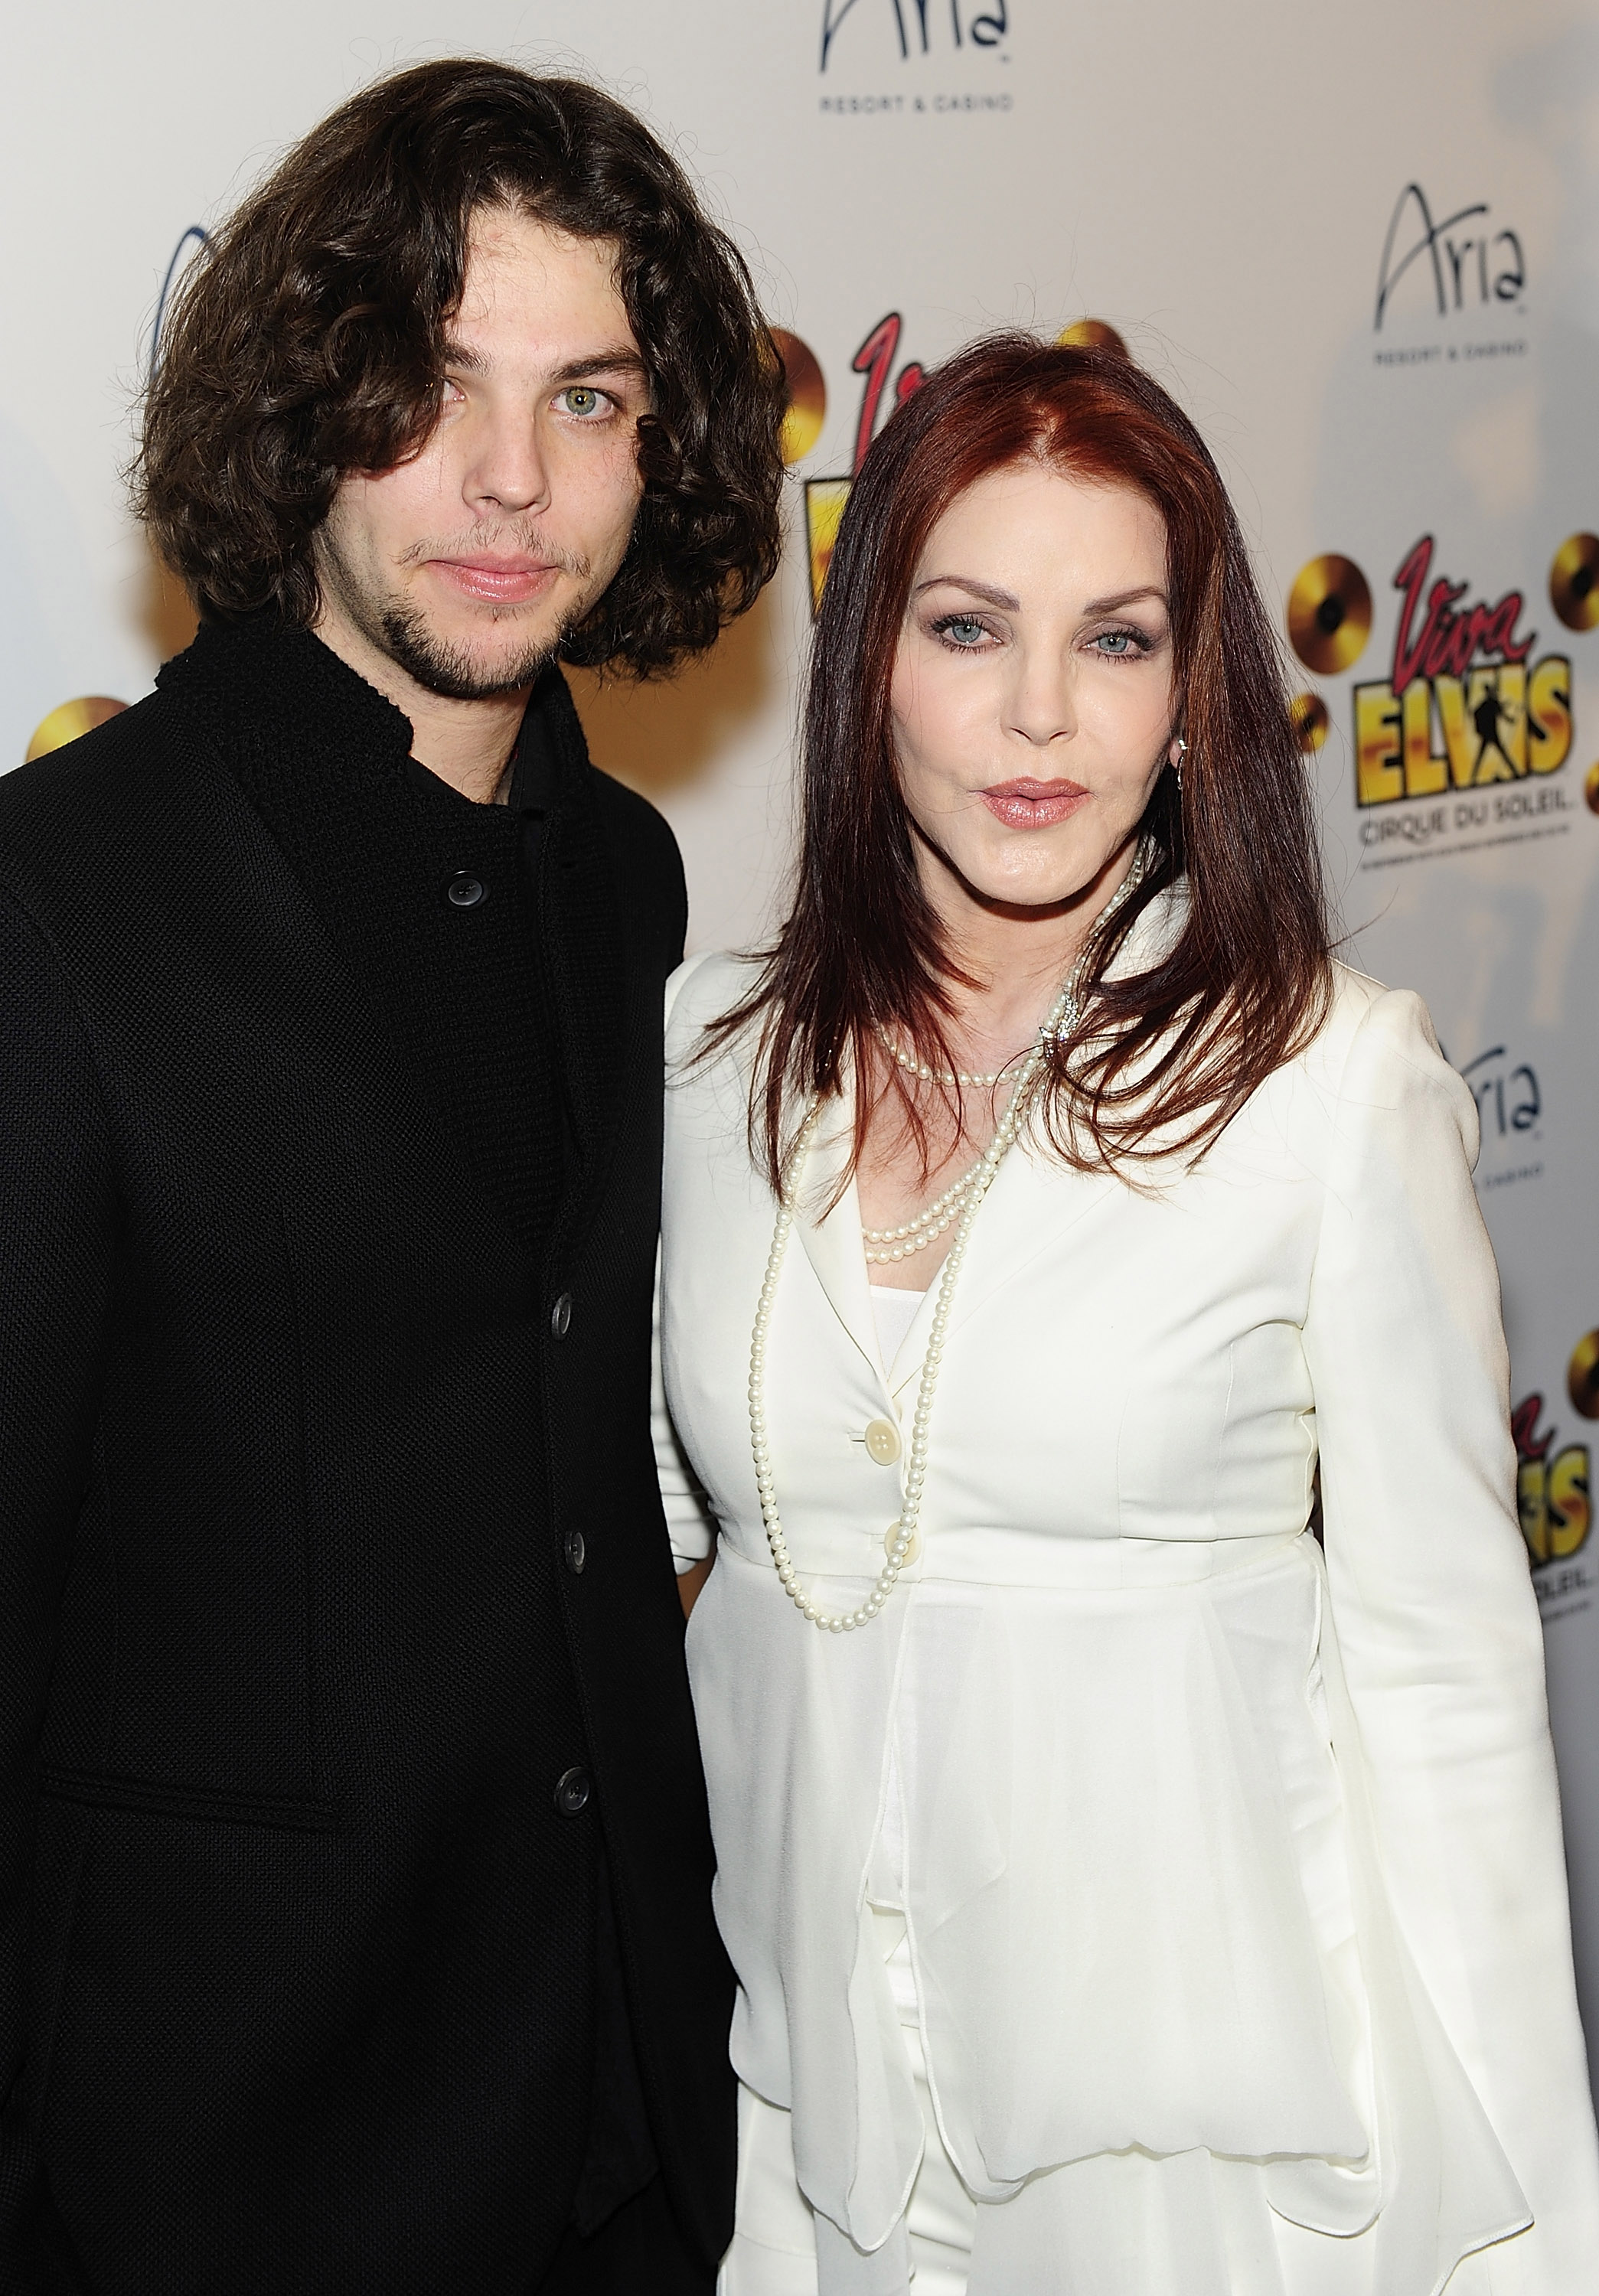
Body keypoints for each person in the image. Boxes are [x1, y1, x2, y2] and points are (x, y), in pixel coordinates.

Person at [654, 334, 1599, 2294]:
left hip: (1200, 2157)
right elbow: (655, 1580)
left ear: (1191, 698)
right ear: (867, 675)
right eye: (969, 623)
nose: (1034, 715)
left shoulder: (1332, 1090)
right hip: (819, 2137)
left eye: (1113, 639)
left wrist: (1530, 2239)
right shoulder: (703, 1075)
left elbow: (1444, 1692)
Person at [0, 60, 782, 2296]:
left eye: (592, 398)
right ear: (304, 398)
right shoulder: (60, 908)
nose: (512, 482)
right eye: (431, 384)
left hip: (627, 2130)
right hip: (222, 2174)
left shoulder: (618, 878)